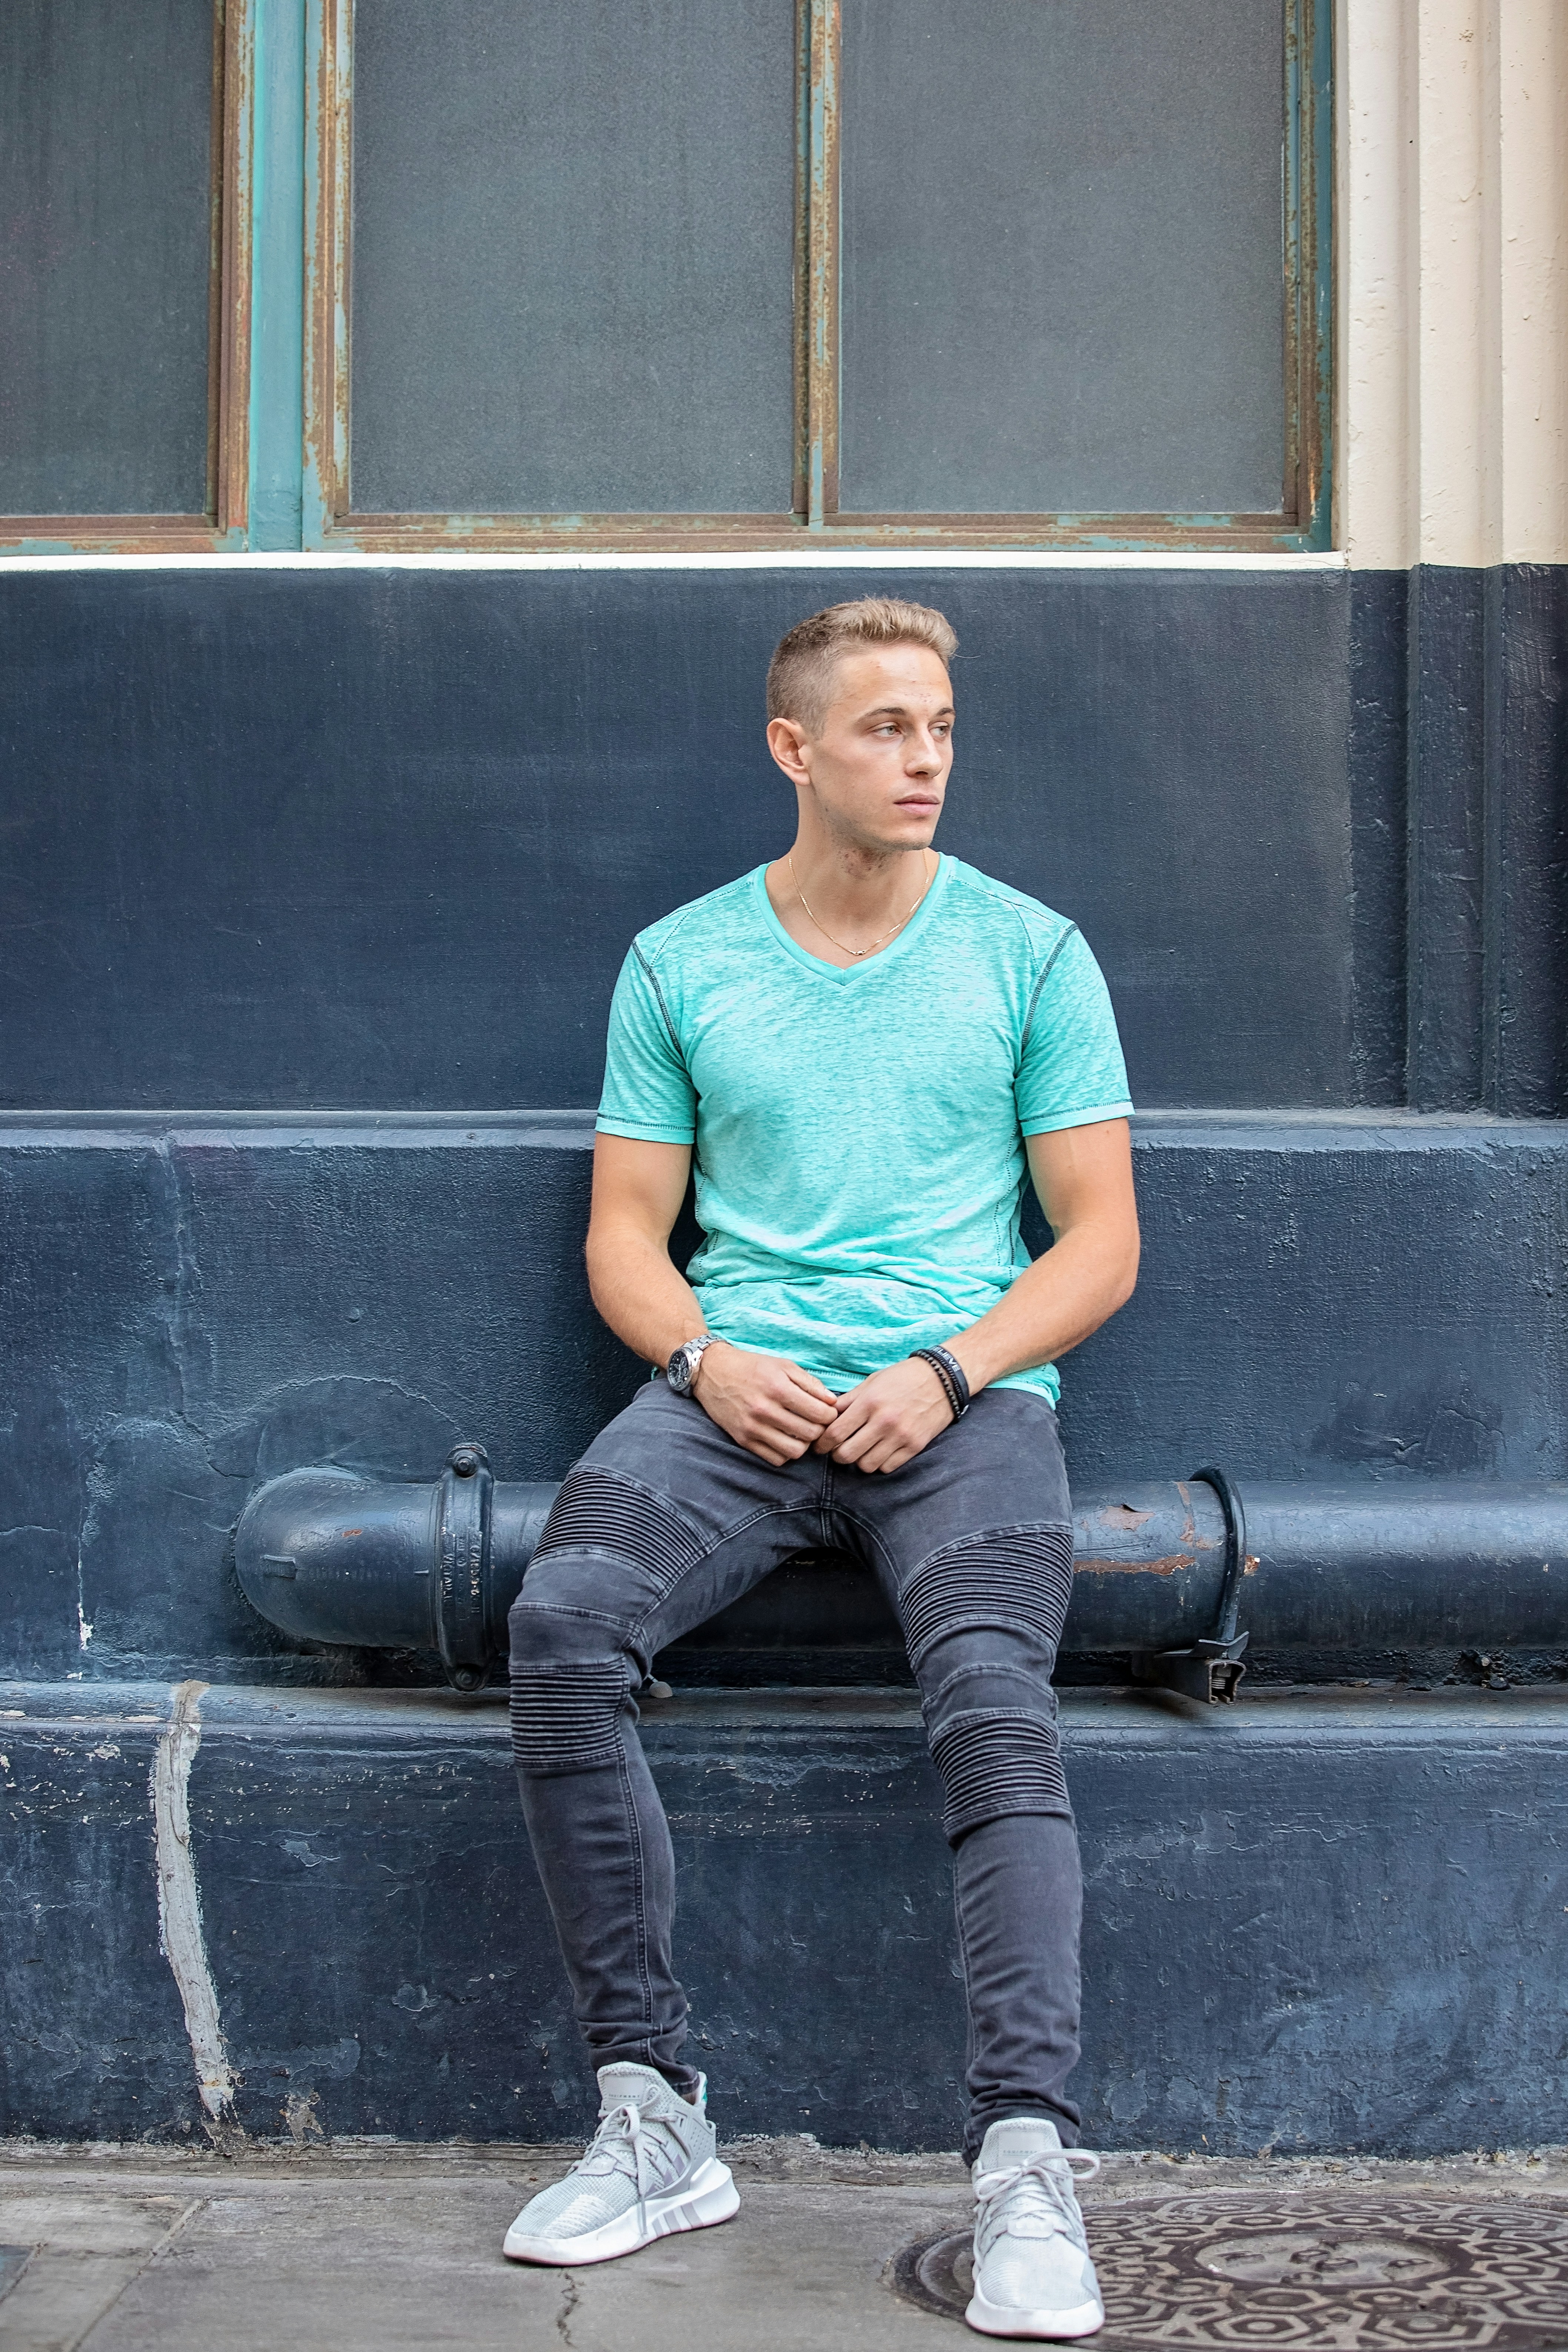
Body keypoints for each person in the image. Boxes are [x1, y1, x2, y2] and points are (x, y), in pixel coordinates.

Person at [503, 596, 1139, 2341]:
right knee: (560, 1632)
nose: (925, 758)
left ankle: (1024, 2161)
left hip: (967, 1408)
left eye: (938, 725)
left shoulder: (1030, 951)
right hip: (735, 1400)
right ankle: (653, 2116)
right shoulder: (684, 961)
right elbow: (629, 1244)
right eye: (884, 729)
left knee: (999, 1698)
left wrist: (950, 1368)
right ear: (796, 749)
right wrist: (709, 1358)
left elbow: (1098, 1243)